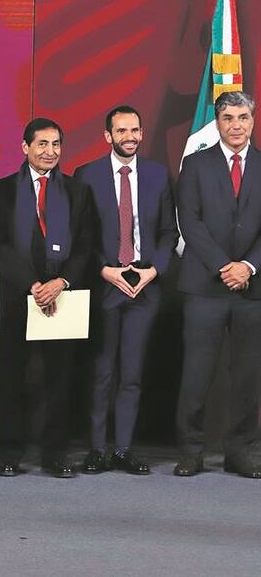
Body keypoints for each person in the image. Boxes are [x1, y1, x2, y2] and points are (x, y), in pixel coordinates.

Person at [0, 117, 93, 478]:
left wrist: (61, 282)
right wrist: (32, 285)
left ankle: (56, 454)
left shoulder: (77, 191)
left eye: (56, 145)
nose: (50, 151)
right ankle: (10, 453)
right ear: (25, 147)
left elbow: (84, 247)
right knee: (11, 377)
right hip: (20, 295)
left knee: (59, 380)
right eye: (42, 144)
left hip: (63, 296)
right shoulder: (1, 190)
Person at [75, 106, 177, 475]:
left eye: (135, 129)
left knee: (132, 374)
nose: (130, 136)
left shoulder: (157, 175)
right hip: (105, 283)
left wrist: (154, 271)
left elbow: (169, 232)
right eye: (122, 131)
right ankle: (97, 449)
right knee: (102, 372)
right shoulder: (86, 175)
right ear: (108, 136)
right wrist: (104, 269)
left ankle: (123, 449)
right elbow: (80, 236)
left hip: (144, 287)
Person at [175, 90, 261, 478]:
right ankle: (191, 451)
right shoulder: (195, 164)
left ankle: (240, 451)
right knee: (197, 372)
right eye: (228, 118)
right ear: (218, 122)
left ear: (252, 121)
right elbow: (189, 222)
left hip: (252, 288)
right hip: (205, 285)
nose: (236, 125)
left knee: (247, 374)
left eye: (243, 118)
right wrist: (224, 266)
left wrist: (248, 266)